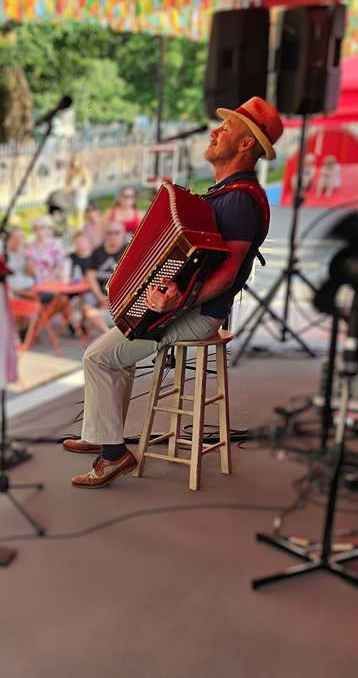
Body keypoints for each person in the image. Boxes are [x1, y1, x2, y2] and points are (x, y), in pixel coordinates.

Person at [66, 97, 282, 488]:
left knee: (97, 357)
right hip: (192, 309)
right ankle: (101, 434)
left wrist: (179, 300)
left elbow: (229, 272)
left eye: (226, 129)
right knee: (117, 353)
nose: (215, 132)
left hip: (198, 314)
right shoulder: (227, 193)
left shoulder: (238, 200)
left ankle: (113, 455)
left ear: (246, 144)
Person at [81, 224, 129, 336]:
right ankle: (107, 334)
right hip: (99, 292)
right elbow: (90, 276)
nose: (112, 235)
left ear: (123, 233)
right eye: (109, 232)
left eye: (116, 232)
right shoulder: (97, 251)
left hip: (120, 295)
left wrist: (112, 299)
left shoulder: (128, 250)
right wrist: (100, 297)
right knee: (86, 305)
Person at [27, 216, 68, 285]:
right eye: (36, 228)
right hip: (36, 282)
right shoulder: (31, 246)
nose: (39, 231)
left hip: (52, 282)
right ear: (33, 230)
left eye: (42, 227)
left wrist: (49, 278)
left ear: (47, 229)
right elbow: (29, 267)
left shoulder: (54, 244)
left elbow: (60, 265)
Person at [3, 226, 36, 293]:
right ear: (9, 238)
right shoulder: (4, 253)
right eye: (16, 237)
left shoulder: (23, 251)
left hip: (27, 286)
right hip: (13, 289)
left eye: (21, 237)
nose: (19, 240)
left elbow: (31, 275)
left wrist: (27, 257)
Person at [67, 154, 94, 228]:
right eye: (74, 159)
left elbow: (88, 183)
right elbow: (67, 182)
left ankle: (80, 231)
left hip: (80, 195)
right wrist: (69, 187)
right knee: (68, 218)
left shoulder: (84, 169)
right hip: (71, 195)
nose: (75, 161)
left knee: (79, 217)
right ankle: (73, 230)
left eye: (77, 159)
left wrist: (80, 189)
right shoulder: (70, 170)